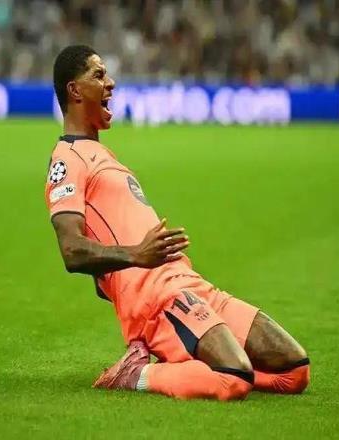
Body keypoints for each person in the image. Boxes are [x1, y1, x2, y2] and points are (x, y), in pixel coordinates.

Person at [45, 45, 310, 400]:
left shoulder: (104, 155)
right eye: (99, 75)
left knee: (294, 371)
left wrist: (114, 276)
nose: (110, 83)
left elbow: (102, 264)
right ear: (74, 90)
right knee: (233, 379)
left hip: (187, 282)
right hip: (158, 298)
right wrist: (136, 257)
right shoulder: (67, 159)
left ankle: (194, 365)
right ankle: (137, 374)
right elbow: (71, 250)